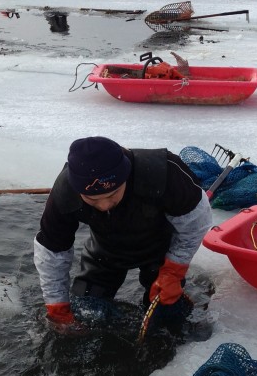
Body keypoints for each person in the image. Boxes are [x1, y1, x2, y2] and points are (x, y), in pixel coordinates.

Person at [33, 136, 212, 330]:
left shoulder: (163, 172)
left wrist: (174, 270)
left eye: (111, 195)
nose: (104, 205)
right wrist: (57, 305)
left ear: (125, 176)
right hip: (104, 252)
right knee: (86, 311)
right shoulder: (64, 192)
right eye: (92, 200)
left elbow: (195, 223)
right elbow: (52, 252)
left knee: (167, 316)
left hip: (159, 248)